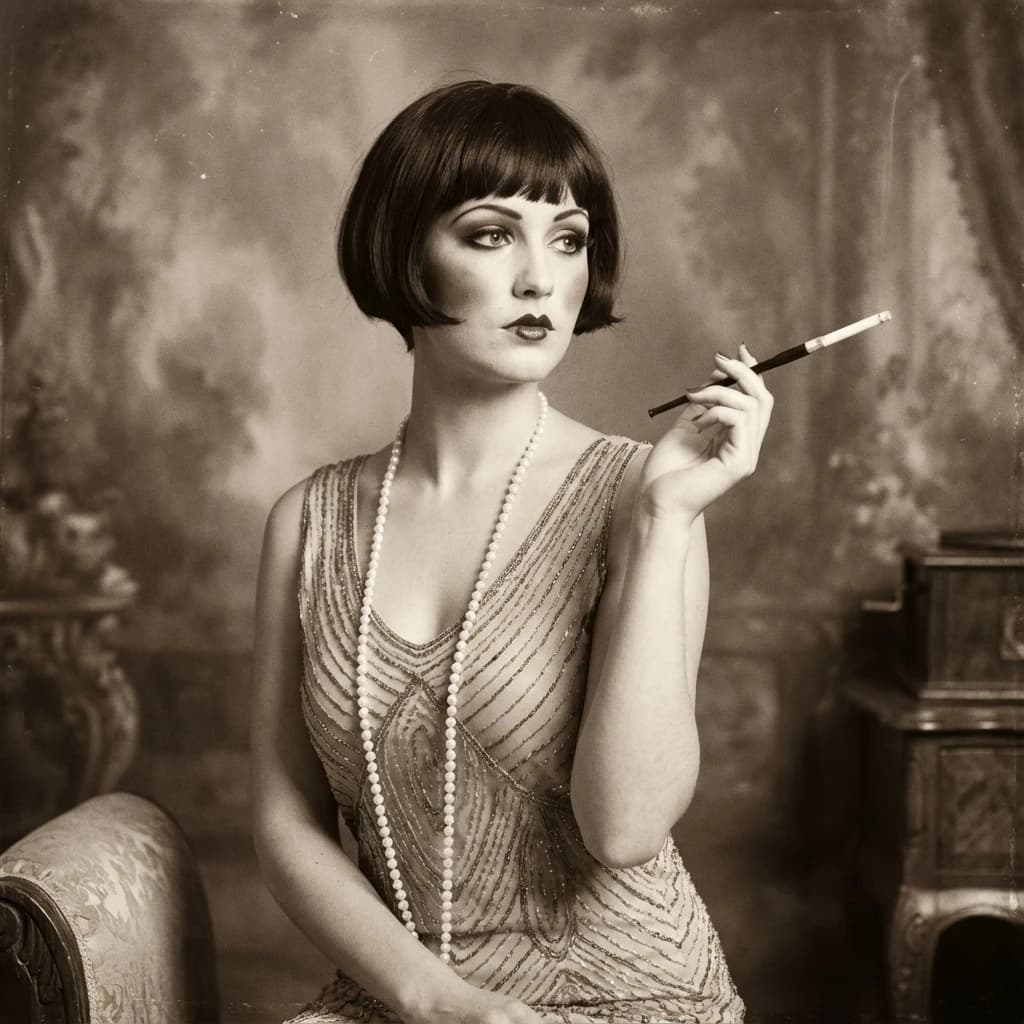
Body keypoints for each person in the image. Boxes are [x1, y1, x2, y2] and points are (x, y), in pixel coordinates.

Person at [251, 80, 772, 1024]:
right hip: (412, 1002)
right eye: (491, 235)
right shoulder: (308, 520)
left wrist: (661, 527)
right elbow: (285, 823)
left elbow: (625, 829)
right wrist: (438, 1001)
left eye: (568, 240)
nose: (541, 280)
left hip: (634, 999)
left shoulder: (641, 498)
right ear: (403, 248)